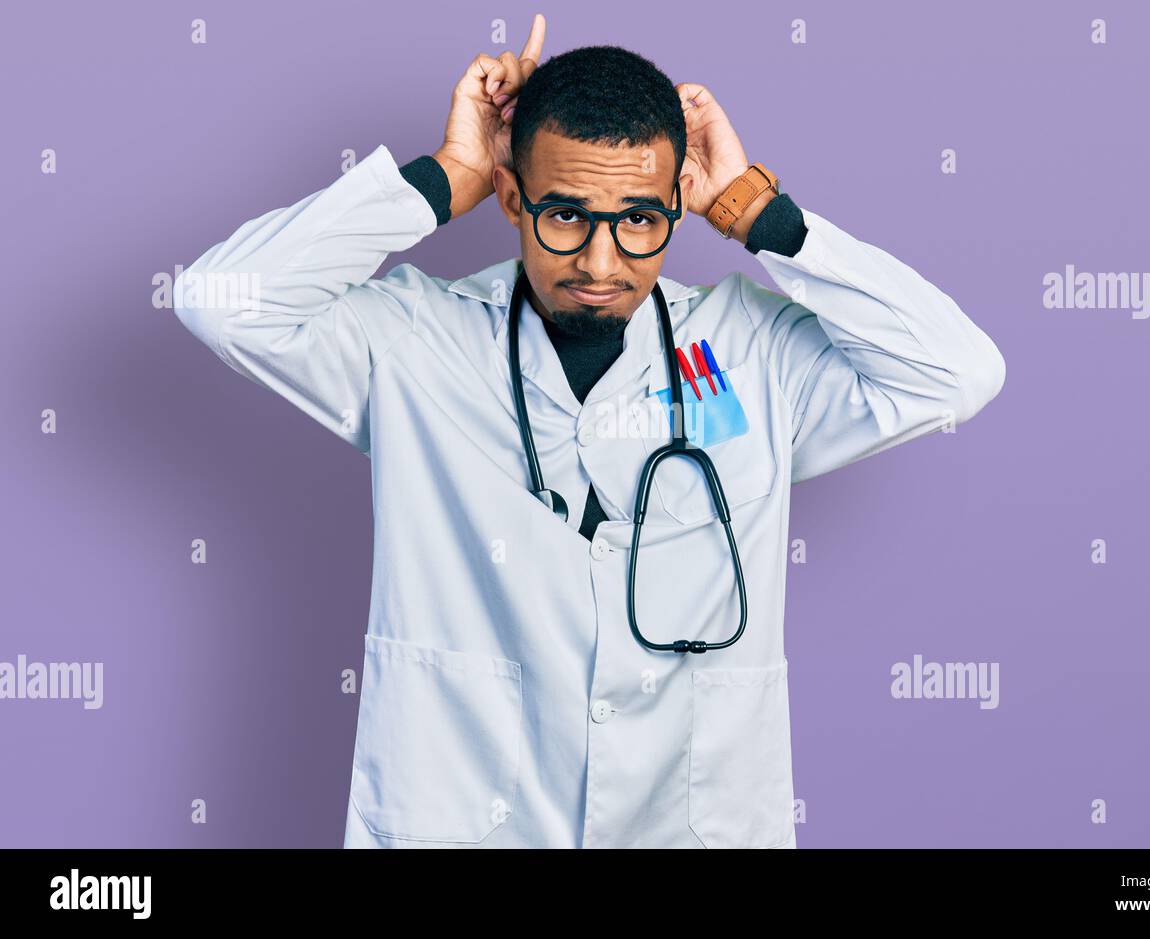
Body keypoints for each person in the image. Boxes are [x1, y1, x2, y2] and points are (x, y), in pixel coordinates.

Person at [172, 14, 1006, 849]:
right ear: (510, 199)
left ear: (680, 203)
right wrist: (446, 173)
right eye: (565, 215)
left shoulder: (751, 354)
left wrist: (758, 212)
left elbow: (958, 370)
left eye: (640, 219)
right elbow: (219, 301)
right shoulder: (413, 342)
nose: (602, 263)